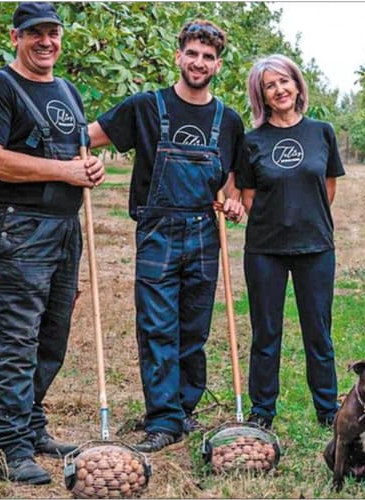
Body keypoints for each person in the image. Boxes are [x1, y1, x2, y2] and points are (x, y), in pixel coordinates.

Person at [88, 19, 245, 453]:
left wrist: (233, 201)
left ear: (217, 64)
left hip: (202, 231)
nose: (199, 63)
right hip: (158, 230)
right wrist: (77, 163)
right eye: (192, 54)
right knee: (157, 326)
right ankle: (162, 420)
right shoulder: (144, 106)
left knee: (193, 328)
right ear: (178, 56)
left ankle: (184, 408)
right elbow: (89, 138)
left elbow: (233, 179)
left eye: (208, 57)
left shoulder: (227, 120)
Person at [0, 2, 105, 484]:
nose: (46, 41)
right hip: (19, 230)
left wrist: (89, 168)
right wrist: (63, 171)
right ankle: (8, 446)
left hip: (65, 230)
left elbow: (77, 155)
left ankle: (30, 425)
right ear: (15, 37)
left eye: (53, 33)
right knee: (16, 339)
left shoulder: (67, 91)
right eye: (35, 34)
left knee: (52, 335)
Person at [237, 55, 345, 430]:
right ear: (262, 96)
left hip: (315, 246)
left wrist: (303, 217)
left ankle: (328, 409)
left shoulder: (322, 132)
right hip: (265, 249)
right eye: (270, 85)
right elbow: (248, 195)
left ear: (298, 86)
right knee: (266, 333)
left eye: (285, 81)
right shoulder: (251, 141)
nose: (279, 89)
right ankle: (262, 410)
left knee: (319, 332)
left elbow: (326, 188)